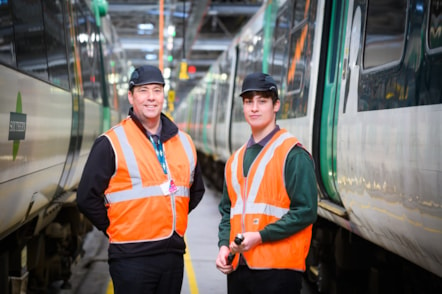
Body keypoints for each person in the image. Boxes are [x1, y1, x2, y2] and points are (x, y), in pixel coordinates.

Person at [77, 65, 205, 294]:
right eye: (143, 90)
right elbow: (86, 197)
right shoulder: (111, 142)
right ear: (131, 96)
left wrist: (171, 219)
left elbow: (195, 191)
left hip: (172, 257)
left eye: (157, 90)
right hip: (131, 259)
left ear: (163, 95)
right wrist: (115, 228)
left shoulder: (184, 142)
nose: (151, 97)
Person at [215, 72, 318, 294]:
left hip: (278, 272)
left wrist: (261, 236)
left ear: (276, 105)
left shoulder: (293, 154)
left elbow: (306, 211)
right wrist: (224, 246)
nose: (254, 108)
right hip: (238, 270)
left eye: (262, 101)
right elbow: (227, 212)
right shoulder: (234, 160)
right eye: (248, 102)